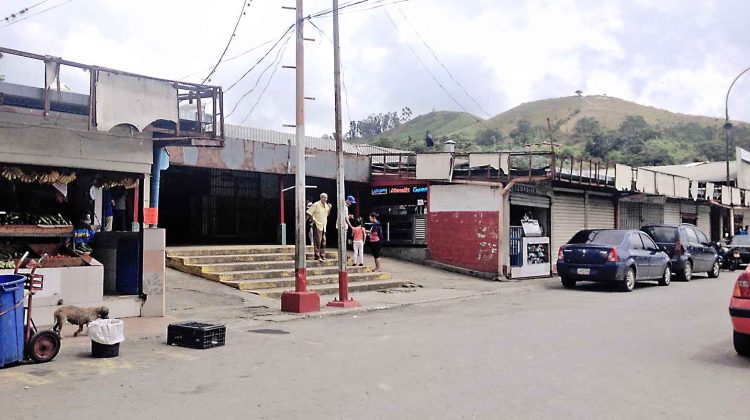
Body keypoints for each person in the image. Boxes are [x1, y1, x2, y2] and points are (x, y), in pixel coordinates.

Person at [306, 193, 331, 261]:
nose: (325, 199)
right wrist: (313, 220)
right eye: (324, 197)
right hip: (317, 224)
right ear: (321, 198)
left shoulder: (327, 206)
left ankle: (322, 255)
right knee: (317, 241)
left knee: (323, 241)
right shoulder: (316, 204)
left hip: (324, 225)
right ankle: (317, 256)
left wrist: (330, 208)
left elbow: (327, 214)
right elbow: (309, 212)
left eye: (326, 198)